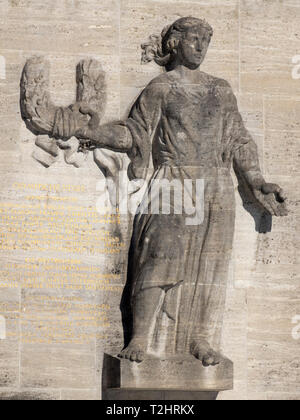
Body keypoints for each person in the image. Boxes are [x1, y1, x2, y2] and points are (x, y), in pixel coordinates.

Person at [53, 17, 288, 367]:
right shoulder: (161, 87)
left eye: (206, 41)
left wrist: (256, 181)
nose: (200, 46)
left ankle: (201, 338)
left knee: (209, 267)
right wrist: (92, 132)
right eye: (194, 39)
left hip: (216, 186)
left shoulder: (221, 89)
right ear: (174, 43)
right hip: (173, 180)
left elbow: (239, 139)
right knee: (159, 254)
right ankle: (140, 338)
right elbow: (134, 134)